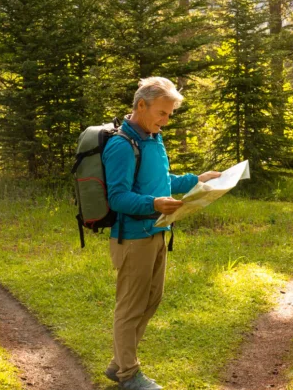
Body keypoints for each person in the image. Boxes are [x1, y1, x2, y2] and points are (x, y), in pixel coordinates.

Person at [102, 77, 220, 390]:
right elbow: (117, 197)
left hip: (157, 233)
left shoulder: (153, 138)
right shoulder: (121, 145)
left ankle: (119, 363)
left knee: (151, 302)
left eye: (170, 115)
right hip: (132, 238)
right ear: (141, 105)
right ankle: (129, 373)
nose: (166, 121)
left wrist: (198, 179)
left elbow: (162, 179)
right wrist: (154, 203)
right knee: (130, 307)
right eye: (162, 113)